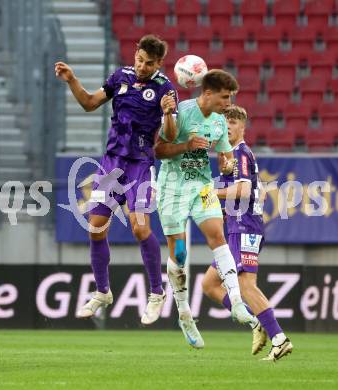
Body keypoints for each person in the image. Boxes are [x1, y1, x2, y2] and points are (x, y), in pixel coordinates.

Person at [55, 35, 178, 325]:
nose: (142, 66)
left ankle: (157, 293)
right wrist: (72, 79)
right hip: (112, 163)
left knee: (139, 228)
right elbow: (89, 103)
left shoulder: (165, 88)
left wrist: (168, 113)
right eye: (139, 59)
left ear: (159, 63)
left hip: (140, 164)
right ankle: (102, 291)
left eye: (149, 63)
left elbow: (170, 136)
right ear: (135, 54)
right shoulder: (119, 76)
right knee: (95, 229)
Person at [154, 70, 254, 349]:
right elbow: (158, 150)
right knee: (180, 253)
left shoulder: (220, 122)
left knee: (217, 236)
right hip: (172, 187)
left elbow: (227, 157)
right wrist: (186, 145)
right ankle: (184, 314)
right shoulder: (182, 113)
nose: (227, 102)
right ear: (207, 93)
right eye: (224, 97)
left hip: (202, 186)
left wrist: (226, 165)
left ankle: (236, 301)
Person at [202, 105, 293, 361]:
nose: (227, 126)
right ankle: (256, 322)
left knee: (244, 284)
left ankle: (278, 338)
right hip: (235, 227)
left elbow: (242, 192)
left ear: (243, 126)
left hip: (245, 227)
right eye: (225, 122)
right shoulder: (231, 159)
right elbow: (247, 193)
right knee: (209, 284)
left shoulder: (241, 153)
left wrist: (208, 192)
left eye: (232, 122)